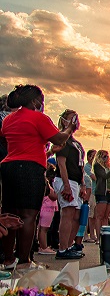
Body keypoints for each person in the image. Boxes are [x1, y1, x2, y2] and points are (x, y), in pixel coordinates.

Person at [0, 85, 76, 269]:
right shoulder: (39, 118)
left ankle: (9, 259)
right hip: (30, 169)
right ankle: (24, 261)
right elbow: (58, 138)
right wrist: (69, 129)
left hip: (8, 167)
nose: (42, 104)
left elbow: (10, 142)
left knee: (9, 214)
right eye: (41, 101)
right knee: (28, 216)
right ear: (35, 101)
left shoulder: (8, 120)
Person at [53, 110, 88, 260]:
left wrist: (83, 185)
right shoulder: (62, 139)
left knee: (76, 215)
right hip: (65, 179)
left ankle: (69, 245)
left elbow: (80, 166)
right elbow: (61, 163)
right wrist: (66, 185)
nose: (75, 121)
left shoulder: (76, 143)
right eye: (72, 119)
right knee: (67, 212)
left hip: (76, 181)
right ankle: (62, 249)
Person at [92, 150, 110, 232]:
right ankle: (99, 236)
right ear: (99, 157)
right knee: (100, 215)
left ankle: (105, 235)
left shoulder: (108, 167)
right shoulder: (97, 166)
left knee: (106, 216)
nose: (107, 158)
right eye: (104, 156)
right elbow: (105, 176)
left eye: (107, 156)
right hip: (102, 192)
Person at [37, 177, 58, 255]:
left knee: (40, 229)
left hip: (43, 208)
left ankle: (42, 246)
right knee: (44, 229)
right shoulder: (47, 187)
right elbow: (54, 197)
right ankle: (44, 247)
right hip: (47, 209)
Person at [84, 149, 98, 243]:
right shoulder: (87, 167)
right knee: (88, 215)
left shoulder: (94, 167)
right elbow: (95, 178)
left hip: (94, 192)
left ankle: (92, 234)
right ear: (89, 157)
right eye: (93, 156)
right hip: (89, 192)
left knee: (93, 216)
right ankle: (85, 235)